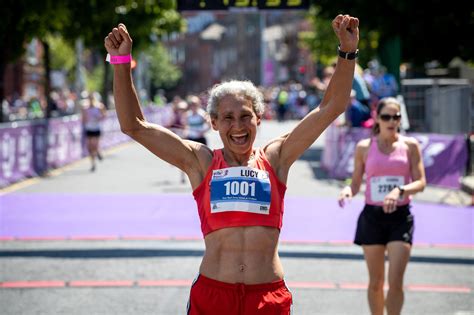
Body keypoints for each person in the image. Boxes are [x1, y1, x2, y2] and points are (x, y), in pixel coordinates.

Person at [105, 13, 359, 314]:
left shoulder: (277, 158)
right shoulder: (199, 162)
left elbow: (331, 107)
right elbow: (133, 125)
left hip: (267, 298)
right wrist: (121, 62)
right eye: (227, 117)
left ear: (259, 118)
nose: (237, 126)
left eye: (245, 116)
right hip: (213, 296)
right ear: (213, 122)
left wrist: (347, 51)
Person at [338, 97, 426, 315]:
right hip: (372, 217)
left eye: (396, 117)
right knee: (375, 282)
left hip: (400, 217)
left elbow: (421, 182)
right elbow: (356, 183)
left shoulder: (410, 146)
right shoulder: (364, 147)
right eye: (386, 116)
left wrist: (400, 191)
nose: (392, 121)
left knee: (395, 281)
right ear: (377, 117)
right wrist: (348, 191)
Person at [81, 92, 107, 172]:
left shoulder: (99, 107)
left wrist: (98, 117)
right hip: (89, 129)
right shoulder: (85, 108)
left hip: (97, 128)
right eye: (89, 98)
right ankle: (93, 164)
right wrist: (86, 118)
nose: (91, 100)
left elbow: (104, 115)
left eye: (92, 98)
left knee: (94, 145)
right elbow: (83, 120)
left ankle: (98, 151)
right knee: (89, 147)